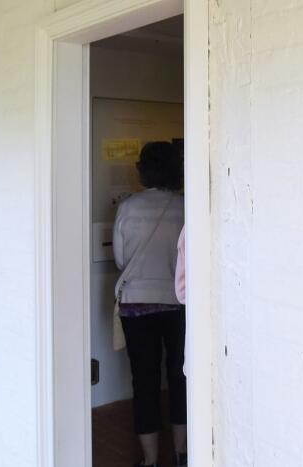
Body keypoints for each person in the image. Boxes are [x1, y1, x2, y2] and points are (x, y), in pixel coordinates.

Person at [113, 141, 187, 467]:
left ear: (143, 169)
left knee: (144, 382)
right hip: (177, 304)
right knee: (180, 378)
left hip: (136, 304)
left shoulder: (128, 208)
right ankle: (183, 455)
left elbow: (120, 259)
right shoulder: (186, 207)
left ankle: (151, 460)